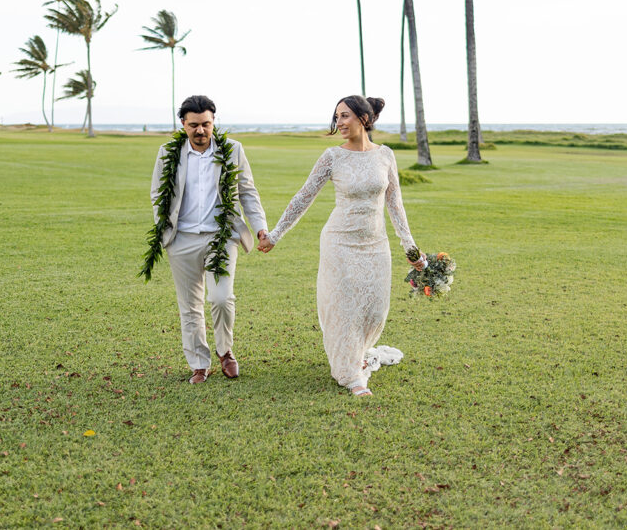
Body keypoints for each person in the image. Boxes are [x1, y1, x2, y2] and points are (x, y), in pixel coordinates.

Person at [259, 95, 425, 397]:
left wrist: (411, 250)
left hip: (376, 244)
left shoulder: (386, 155)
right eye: (337, 117)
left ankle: (357, 354)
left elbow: (396, 206)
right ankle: (351, 375)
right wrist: (275, 234)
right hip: (340, 242)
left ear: (364, 118)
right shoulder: (332, 157)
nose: (339, 122)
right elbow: (303, 197)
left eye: (345, 116)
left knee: (375, 310)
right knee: (346, 310)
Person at [148, 95, 269, 384]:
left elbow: (248, 192)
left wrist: (261, 227)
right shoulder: (168, 152)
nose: (200, 131)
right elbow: (157, 194)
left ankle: (225, 351)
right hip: (182, 239)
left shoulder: (233, 150)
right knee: (189, 306)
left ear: (213, 122)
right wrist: (164, 230)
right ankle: (199, 364)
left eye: (206, 124)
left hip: (222, 237)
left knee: (221, 297)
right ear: (183, 124)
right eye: (194, 125)